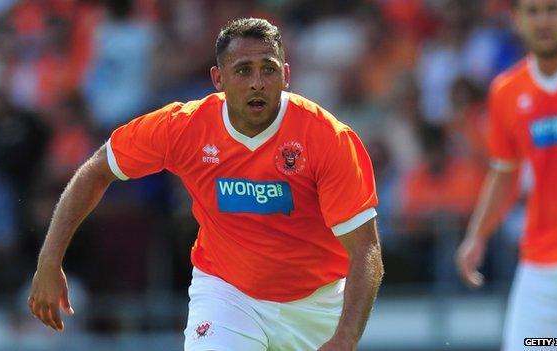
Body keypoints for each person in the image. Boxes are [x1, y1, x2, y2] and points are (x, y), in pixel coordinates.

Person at [28, 18, 384, 350]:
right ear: (218, 79)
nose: (257, 82)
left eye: (268, 70)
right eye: (243, 70)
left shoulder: (328, 139)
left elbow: (366, 249)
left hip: (316, 305)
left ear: (286, 75)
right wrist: (49, 259)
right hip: (228, 294)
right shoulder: (183, 127)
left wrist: (345, 338)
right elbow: (96, 170)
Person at [455, 0, 557, 349]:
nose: (542, 20)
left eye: (551, 9)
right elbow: (504, 172)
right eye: (532, 11)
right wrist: (477, 235)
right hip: (538, 265)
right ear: (517, 20)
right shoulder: (506, 90)